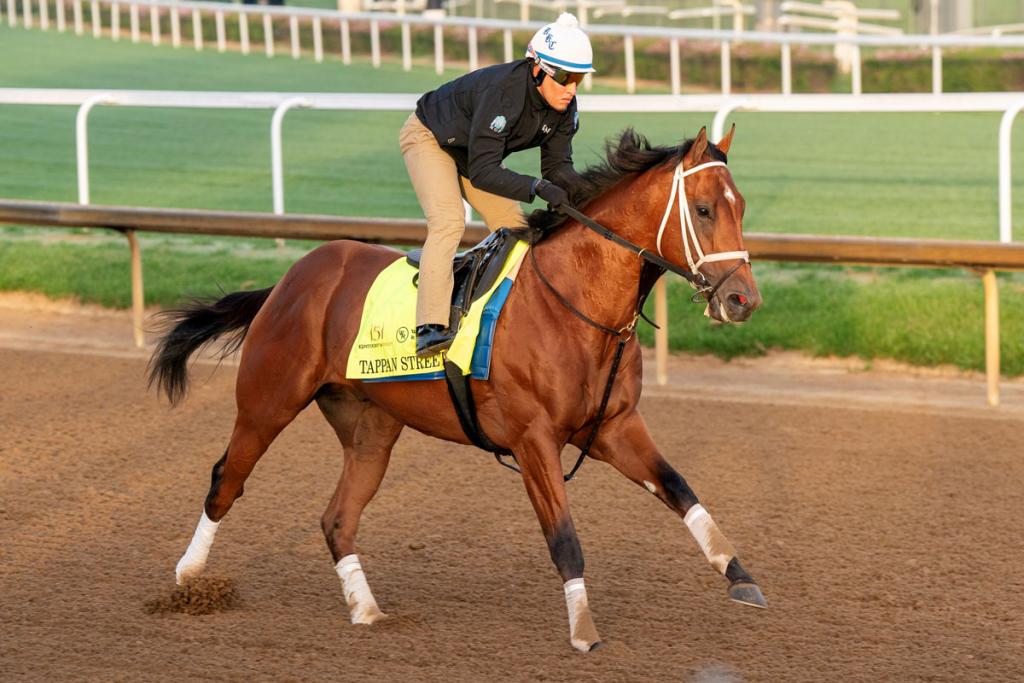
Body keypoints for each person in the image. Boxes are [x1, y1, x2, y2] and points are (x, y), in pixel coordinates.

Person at [400, 12, 595, 357]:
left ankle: (516, 320)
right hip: (430, 137)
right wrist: (536, 187)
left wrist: (580, 193)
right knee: (448, 222)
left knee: (516, 229)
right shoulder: (504, 93)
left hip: (474, 152)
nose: (571, 89)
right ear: (537, 69)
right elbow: (484, 172)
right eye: (565, 77)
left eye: (579, 78)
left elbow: (557, 166)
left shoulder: (565, 107)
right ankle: (429, 326)